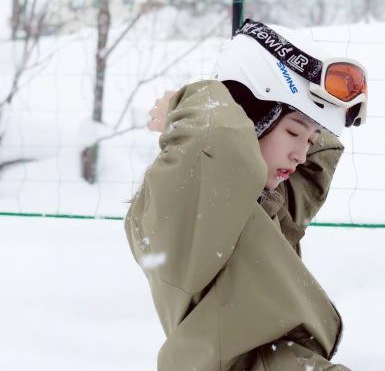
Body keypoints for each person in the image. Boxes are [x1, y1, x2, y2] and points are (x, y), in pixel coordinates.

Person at [124, 19, 367, 371]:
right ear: (251, 116)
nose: (302, 154)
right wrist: (189, 103)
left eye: (310, 139)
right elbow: (218, 136)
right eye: (294, 132)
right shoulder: (189, 207)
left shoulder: (268, 206)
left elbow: (314, 163)